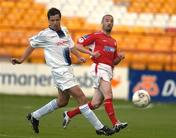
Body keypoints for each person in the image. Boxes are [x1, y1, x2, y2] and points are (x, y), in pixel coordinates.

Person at [11, 8, 114, 136]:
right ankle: (99, 127)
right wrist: (21, 60)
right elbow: (31, 45)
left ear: (60, 19)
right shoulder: (45, 34)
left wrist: (78, 56)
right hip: (60, 71)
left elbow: (71, 46)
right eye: (52, 20)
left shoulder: (64, 30)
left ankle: (35, 116)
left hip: (67, 69)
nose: (55, 22)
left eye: (57, 20)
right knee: (81, 97)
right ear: (48, 20)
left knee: (62, 101)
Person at [63, 14, 128, 133]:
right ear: (102, 22)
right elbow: (78, 45)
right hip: (99, 68)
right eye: (107, 21)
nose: (109, 23)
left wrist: (119, 58)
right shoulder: (96, 35)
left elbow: (112, 63)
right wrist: (91, 54)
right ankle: (116, 123)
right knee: (109, 95)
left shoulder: (114, 42)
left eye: (111, 21)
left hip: (108, 70)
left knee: (95, 103)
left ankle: (69, 114)